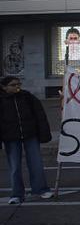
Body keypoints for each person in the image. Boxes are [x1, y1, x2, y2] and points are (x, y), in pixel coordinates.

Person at [0, 76, 53, 204]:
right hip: (11, 137)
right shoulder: (2, 100)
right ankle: (17, 193)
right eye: (13, 85)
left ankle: (40, 189)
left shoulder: (27, 97)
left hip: (30, 134)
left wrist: (44, 133)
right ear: (4, 87)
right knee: (15, 166)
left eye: (18, 84)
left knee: (36, 163)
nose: (17, 87)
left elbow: (40, 115)